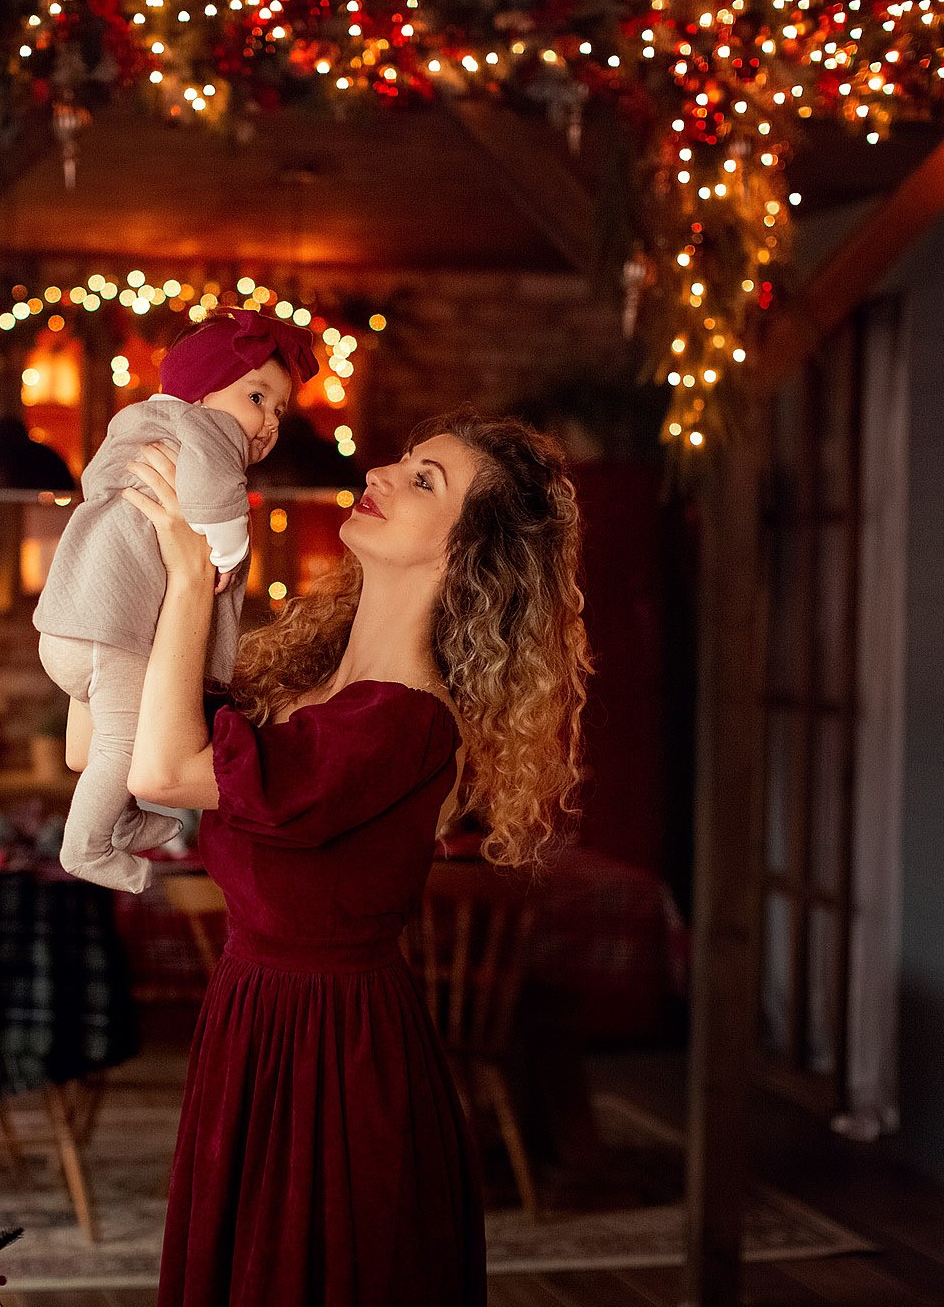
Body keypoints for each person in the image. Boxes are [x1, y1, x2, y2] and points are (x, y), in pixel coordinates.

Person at [121, 408, 592, 1306]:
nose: (382, 471)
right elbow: (107, 745)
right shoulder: (303, 685)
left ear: (466, 554)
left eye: (426, 481)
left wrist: (190, 577)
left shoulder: (401, 718)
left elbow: (161, 770)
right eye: (404, 461)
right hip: (254, 1028)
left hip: (334, 1060)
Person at [33, 308, 319, 894]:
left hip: (82, 628)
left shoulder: (146, 430)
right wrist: (229, 549)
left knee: (123, 740)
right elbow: (218, 504)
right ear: (203, 392)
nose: (268, 422)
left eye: (279, 410)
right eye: (257, 398)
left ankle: (126, 817)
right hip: (105, 632)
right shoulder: (204, 433)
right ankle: (85, 850)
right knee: (119, 741)